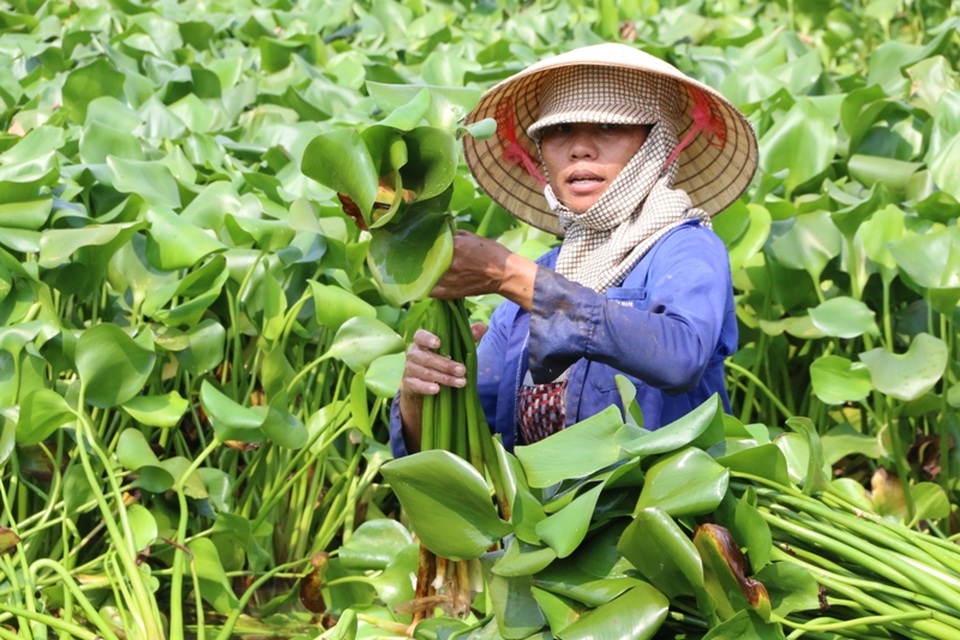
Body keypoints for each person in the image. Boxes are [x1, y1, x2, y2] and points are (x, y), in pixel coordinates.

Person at [389, 43, 758, 457]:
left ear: (655, 142)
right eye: (561, 129)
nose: (580, 148)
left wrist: (512, 276)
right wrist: (417, 394)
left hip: (665, 500)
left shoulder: (686, 247)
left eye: (609, 126)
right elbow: (453, 449)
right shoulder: (532, 282)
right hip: (541, 504)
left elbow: (681, 357)